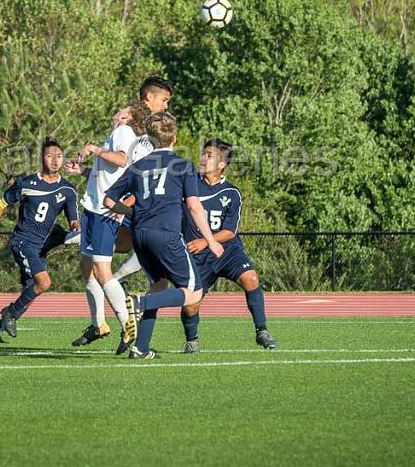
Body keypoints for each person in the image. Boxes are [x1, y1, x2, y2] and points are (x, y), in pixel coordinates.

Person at [103, 112, 224, 359]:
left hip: (140, 235)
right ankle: (139, 304)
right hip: (166, 235)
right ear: (174, 137)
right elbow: (193, 206)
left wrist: (131, 211)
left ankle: (141, 348)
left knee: (158, 286)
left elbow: (108, 200)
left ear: (149, 139)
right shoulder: (183, 165)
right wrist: (211, 240)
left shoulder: (137, 167)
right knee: (194, 292)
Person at [65, 76, 172, 351]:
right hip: (96, 204)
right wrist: (86, 171)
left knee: (102, 270)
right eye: (164, 99)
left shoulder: (128, 132)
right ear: (148, 99)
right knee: (86, 267)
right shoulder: (127, 130)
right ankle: (99, 323)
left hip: (104, 208)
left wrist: (93, 148)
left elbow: (123, 161)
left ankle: (128, 324)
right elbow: (115, 170)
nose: (166, 105)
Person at [177, 139, 277, 353]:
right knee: (191, 304)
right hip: (198, 256)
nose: (203, 158)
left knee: (251, 278)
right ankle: (192, 340)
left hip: (226, 250)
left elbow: (230, 231)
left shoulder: (231, 192)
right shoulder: (189, 183)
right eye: (203, 154)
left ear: (222, 164)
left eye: (209, 155)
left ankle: (262, 331)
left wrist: (206, 241)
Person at [0, 138, 79, 343]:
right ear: (41, 158)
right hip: (23, 242)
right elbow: (0, 204)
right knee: (44, 282)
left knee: (30, 294)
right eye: (49, 155)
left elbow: (74, 222)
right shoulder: (26, 183)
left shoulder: (68, 190)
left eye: (59, 156)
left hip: (40, 249)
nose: (55, 160)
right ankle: (9, 313)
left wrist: (79, 230)